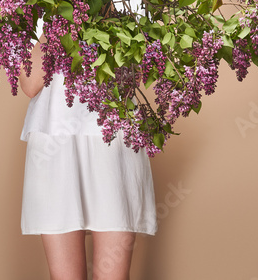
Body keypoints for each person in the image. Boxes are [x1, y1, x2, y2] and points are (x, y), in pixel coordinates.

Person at [19, 31, 158, 280]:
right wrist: (60, 21)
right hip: (55, 142)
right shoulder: (36, 5)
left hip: (112, 139)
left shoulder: (123, 1)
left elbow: (137, 76)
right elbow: (30, 84)